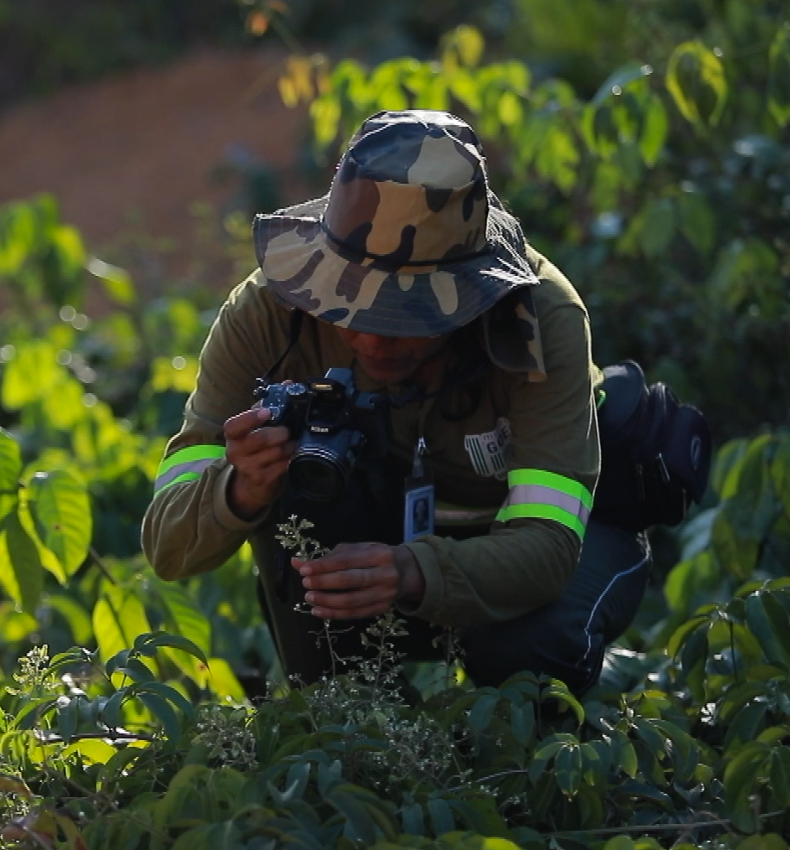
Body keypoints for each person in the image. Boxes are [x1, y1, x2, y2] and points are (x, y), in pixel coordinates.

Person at [142, 110, 652, 694]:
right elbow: (167, 546)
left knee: (523, 658)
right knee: (296, 502)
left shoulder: (539, 318)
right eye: (349, 306)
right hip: (382, 541)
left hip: (566, 541)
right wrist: (240, 487)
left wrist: (413, 572)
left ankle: (556, 743)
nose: (373, 338)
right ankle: (352, 729)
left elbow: (549, 546)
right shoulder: (267, 314)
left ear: (472, 294)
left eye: (408, 316)